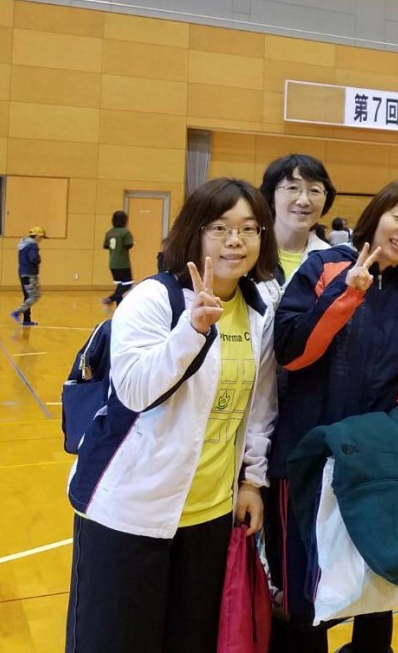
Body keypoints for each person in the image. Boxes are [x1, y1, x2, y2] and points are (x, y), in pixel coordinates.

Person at [64, 178, 279, 653]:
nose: (235, 241)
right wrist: (192, 330)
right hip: (129, 511)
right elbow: (135, 391)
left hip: (209, 517)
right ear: (194, 233)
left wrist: (251, 482)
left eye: (248, 229)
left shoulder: (259, 312)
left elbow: (259, 408)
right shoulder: (152, 299)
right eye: (220, 228)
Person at [265, 179, 398, 653]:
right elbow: (292, 352)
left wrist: (390, 440)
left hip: (375, 467)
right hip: (305, 459)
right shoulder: (323, 267)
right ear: (376, 215)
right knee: (303, 594)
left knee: (376, 587)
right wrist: (345, 296)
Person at [259, 154, 337, 298]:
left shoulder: (332, 260)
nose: (303, 201)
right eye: (293, 188)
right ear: (271, 197)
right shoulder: (247, 250)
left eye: (314, 191)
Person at [10, 226, 46, 327]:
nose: (41, 240)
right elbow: (34, 258)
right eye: (41, 237)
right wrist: (38, 260)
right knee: (35, 296)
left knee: (28, 296)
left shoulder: (23, 244)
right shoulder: (32, 245)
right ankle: (17, 312)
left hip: (22, 273)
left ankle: (26, 320)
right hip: (30, 274)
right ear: (37, 236)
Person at [102, 211, 136, 307]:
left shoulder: (109, 232)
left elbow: (105, 246)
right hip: (123, 264)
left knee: (120, 285)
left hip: (112, 264)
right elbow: (128, 245)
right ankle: (111, 299)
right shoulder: (125, 232)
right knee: (128, 285)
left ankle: (118, 308)